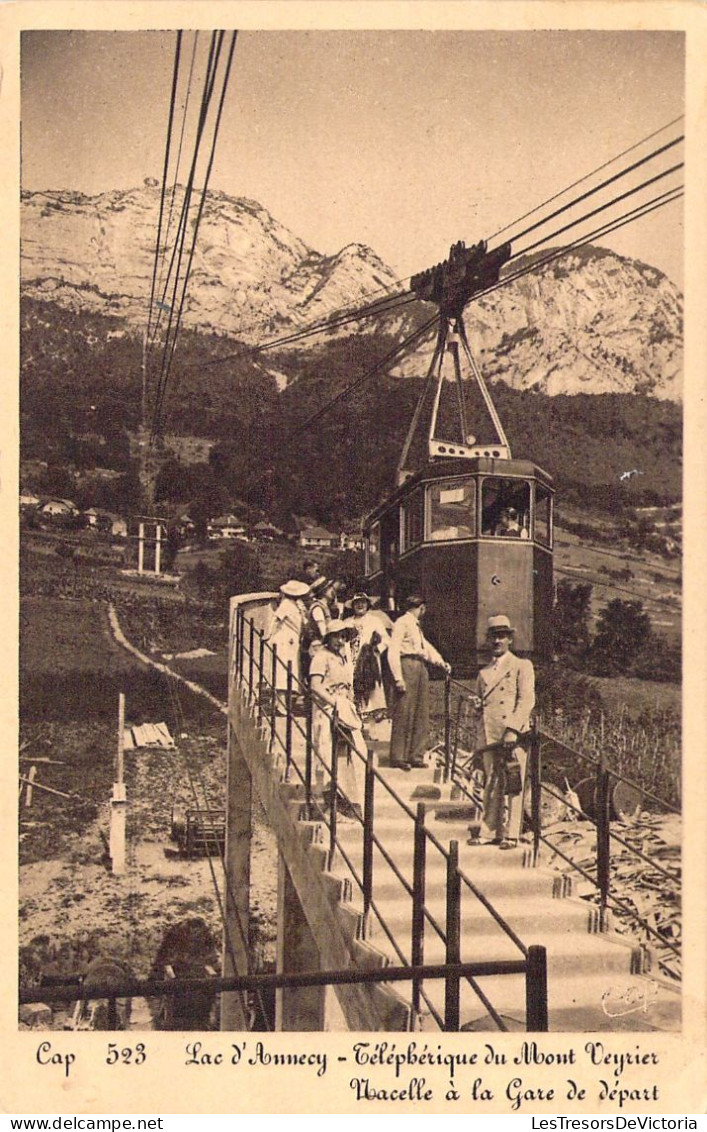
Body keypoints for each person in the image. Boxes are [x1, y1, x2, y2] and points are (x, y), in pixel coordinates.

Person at [470, 614, 535, 849]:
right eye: (493, 637)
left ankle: (512, 834)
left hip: (511, 735)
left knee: (513, 782)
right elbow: (480, 703)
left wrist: (513, 729)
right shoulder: (484, 672)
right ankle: (490, 832)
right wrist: (477, 706)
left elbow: (526, 700)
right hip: (489, 734)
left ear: (509, 639)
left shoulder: (521, 666)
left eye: (502, 636)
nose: (497, 641)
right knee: (491, 784)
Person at [309, 619, 366, 819]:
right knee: (326, 752)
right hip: (327, 708)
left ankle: (347, 798)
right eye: (337, 636)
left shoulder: (342, 658)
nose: (340, 641)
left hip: (343, 709)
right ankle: (328, 799)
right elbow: (315, 686)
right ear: (329, 637)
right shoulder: (321, 657)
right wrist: (333, 703)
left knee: (353, 752)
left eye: (343, 637)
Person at [387, 594, 451, 770]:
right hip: (407, 665)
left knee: (421, 711)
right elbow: (392, 651)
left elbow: (426, 648)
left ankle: (416, 755)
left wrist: (440, 662)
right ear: (421, 607)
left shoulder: (416, 627)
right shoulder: (402, 622)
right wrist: (398, 677)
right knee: (404, 710)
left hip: (420, 667)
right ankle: (398, 756)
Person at [346, 592, 389, 719]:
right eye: (357, 603)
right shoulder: (347, 622)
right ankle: (356, 712)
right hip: (351, 658)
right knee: (351, 683)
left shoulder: (375, 621)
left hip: (369, 660)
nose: (360, 605)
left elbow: (386, 639)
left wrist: (376, 650)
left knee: (371, 685)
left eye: (363, 602)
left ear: (367, 604)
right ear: (353, 605)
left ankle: (372, 713)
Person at [265, 579, 310, 695]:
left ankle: (285, 703)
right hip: (284, 640)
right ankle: (280, 704)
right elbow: (276, 619)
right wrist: (269, 634)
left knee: (290, 670)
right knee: (283, 672)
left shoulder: (297, 606)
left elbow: (304, 623)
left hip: (292, 641)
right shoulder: (286, 604)